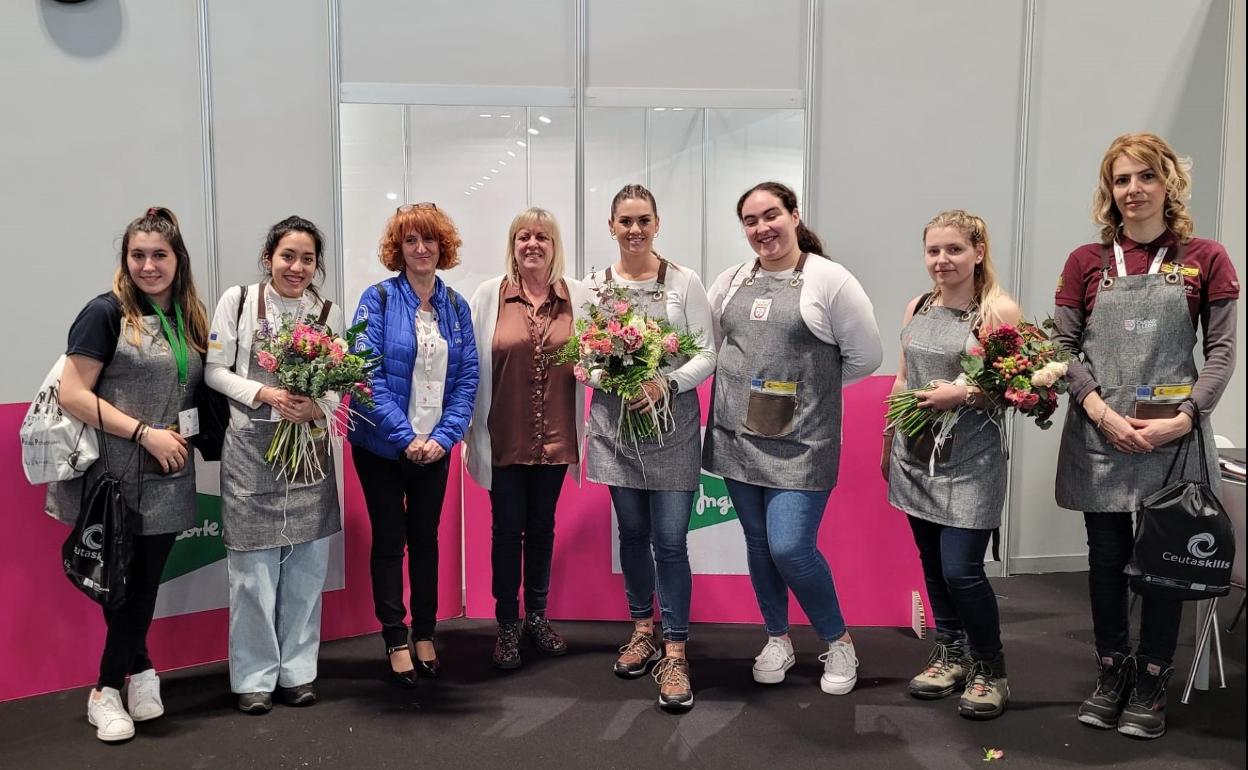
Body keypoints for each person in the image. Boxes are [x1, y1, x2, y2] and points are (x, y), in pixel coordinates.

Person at [1054, 132, 1239, 739]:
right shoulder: (1085, 261)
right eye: (1121, 179)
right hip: (1099, 433)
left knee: (1163, 561)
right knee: (1106, 561)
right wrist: (1099, 409)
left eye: (1145, 177)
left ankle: (1154, 675)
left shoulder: (1205, 257)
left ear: (1169, 183)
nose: (1133, 190)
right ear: (1109, 191)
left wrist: (1185, 416)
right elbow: (1061, 346)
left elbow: (1220, 350)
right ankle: (1112, 670)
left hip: (1174, 435)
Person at [704, 181, 882, 697]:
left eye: (772, 215)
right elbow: (716, 345)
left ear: (794, 215)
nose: (763, 228)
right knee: (759, 548)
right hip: (739, 437)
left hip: (802, 443)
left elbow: (865, 356)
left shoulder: (830, 280)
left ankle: (839, 640)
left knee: (790, 546)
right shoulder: (732, 280)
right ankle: (777, 638)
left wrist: (812, 395)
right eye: (751, 220)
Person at [45, 207, 210, 742]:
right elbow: (72, 393)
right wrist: (144, 433)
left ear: (178, 260)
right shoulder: (105, 312)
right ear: (126, 260)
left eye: (159, 255)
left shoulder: (190, 317)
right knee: (122, 588)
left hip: (169, 474)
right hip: (114, 478)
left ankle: (138, 672)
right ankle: (107, 690)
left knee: (143, 587)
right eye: (137, 255)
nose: (148, 265)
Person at [882, 210, 1021, 720]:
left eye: (954, 250)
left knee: (962, 570)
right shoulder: (917, 305)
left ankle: (991, 667)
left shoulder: (998, 312)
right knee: (933, 566)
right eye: (934, 251)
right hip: (915, 456)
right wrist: (887, 440)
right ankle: (951, 654)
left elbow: (1017, 386)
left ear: (978, 252)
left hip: (971, 461)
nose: (942, 261)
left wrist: (961, 392)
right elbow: (902, 377)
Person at [583, 184, 715, 712]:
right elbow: (583, 358)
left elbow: (707, 351)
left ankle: (677, 650)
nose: (634, 230)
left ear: (657, 223)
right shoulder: (595, 286)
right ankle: (642, 629)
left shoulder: (684, 282)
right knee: (633, 535)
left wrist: (666, 384)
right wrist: (609, 377)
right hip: (616, 432)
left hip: (673, 430)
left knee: (670, 541)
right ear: (610, 226)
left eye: (643, 220)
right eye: (624, 221)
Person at [205, 216, 342, 714]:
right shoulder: (237, 301)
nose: (297, 267)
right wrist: (265, 392)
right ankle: (254, 678)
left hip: (306, 453)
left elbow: (336, 382)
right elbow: (215, 371)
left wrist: (314, 406)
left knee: (307, 572)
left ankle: (299, 672)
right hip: (250, 452)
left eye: (307, 259)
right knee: (252, 575)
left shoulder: (327, 312)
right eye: (288, 256)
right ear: (269, 259)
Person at [348, 203, 478, 687]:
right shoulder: (377, 299)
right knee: (390, 540)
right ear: (397, 249)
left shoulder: (457, 307)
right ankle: (394, 637)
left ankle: (425, 631)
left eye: (429, 241)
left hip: (436, 450)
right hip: (382, 447)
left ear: (443, 247)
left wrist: (442, 438)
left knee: (426, 540)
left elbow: (467, 379)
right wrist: (406, 438)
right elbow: (364, 374)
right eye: (410, 241)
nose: (421, 249)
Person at [467, 208, 588, 669]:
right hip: (504, 438)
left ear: (554, 245)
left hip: (555, 438)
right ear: (512, 245)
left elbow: (593, 355)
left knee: (542, 529)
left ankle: (537, 615)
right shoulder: (489, 295)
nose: (532, 244)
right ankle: (506, 624)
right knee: (506, 531)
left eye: (542, 236)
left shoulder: (575, 296)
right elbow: (471, 362)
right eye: (523, 236)